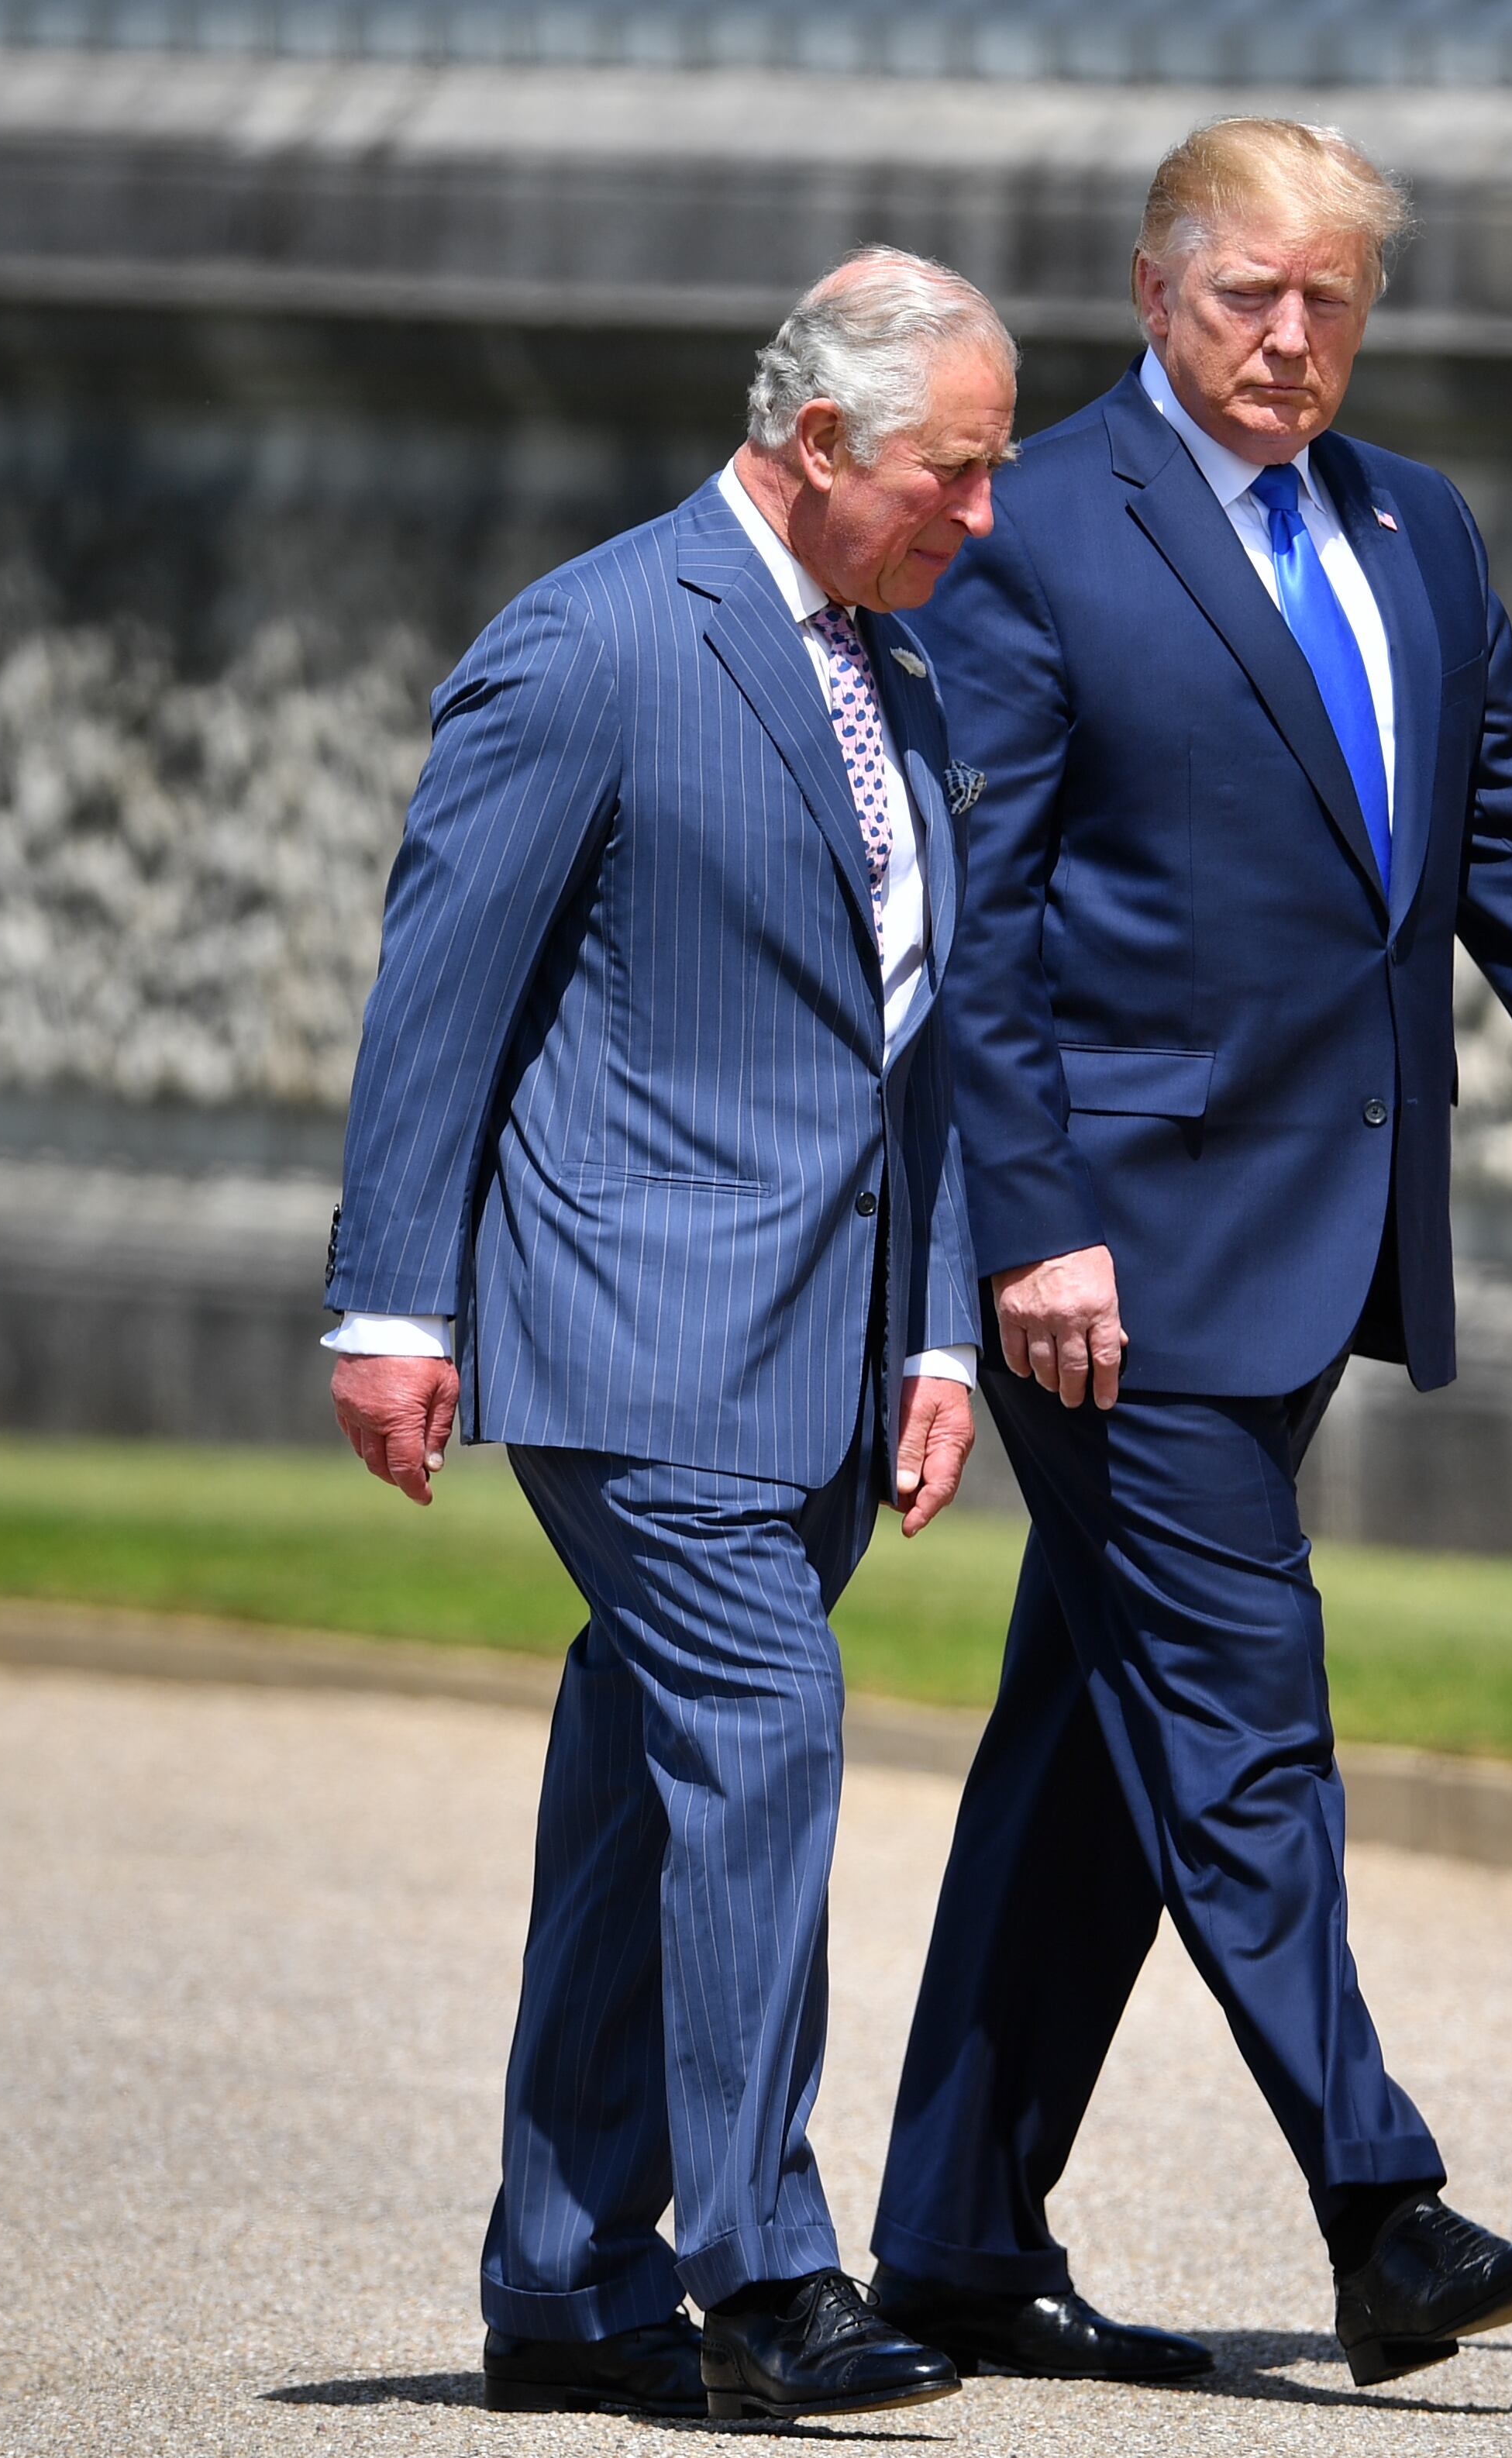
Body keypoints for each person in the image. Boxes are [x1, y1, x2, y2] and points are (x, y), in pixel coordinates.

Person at [867, 118, 1512, 2394]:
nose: (1292, 338)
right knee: (1246, 1711)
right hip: (1116, 1272)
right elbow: (980, 926)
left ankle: (959, 2240)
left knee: (1097, 1736)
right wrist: (1032, 1222)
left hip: (1322, 1242)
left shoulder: (1416, 528)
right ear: (1158, 285)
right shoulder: (1040, 525)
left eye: (1332, 302)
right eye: (1252, 292)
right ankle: (1384, 2209)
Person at [319, 246, 1012, 2425]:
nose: (981, 519)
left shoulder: (895, 679)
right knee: (767, 1732)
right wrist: (390, 1298)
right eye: (954, 473)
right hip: (632, 1330)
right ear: (820, 445)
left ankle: (558, 2276)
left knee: (647, 1789)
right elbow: (442, 995)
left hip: (818, 1344)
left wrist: (938, 1337)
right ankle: (763, 2268)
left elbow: (921, 1044)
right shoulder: (594, 638)